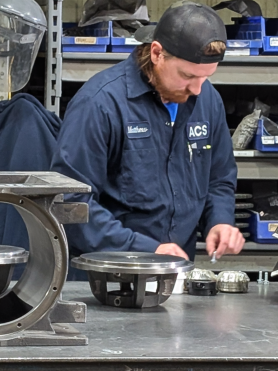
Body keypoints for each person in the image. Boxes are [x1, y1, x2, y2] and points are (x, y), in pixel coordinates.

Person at [51, 1, 244, 266]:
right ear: (156, 53)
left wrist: (220, 220)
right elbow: (71, 203)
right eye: (188, 76)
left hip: (175, 272)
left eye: (205, 78)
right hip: (110, 272)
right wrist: (144, 249)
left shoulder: (207, 100)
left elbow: (219, 178)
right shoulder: (100, 104)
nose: (197, 90)